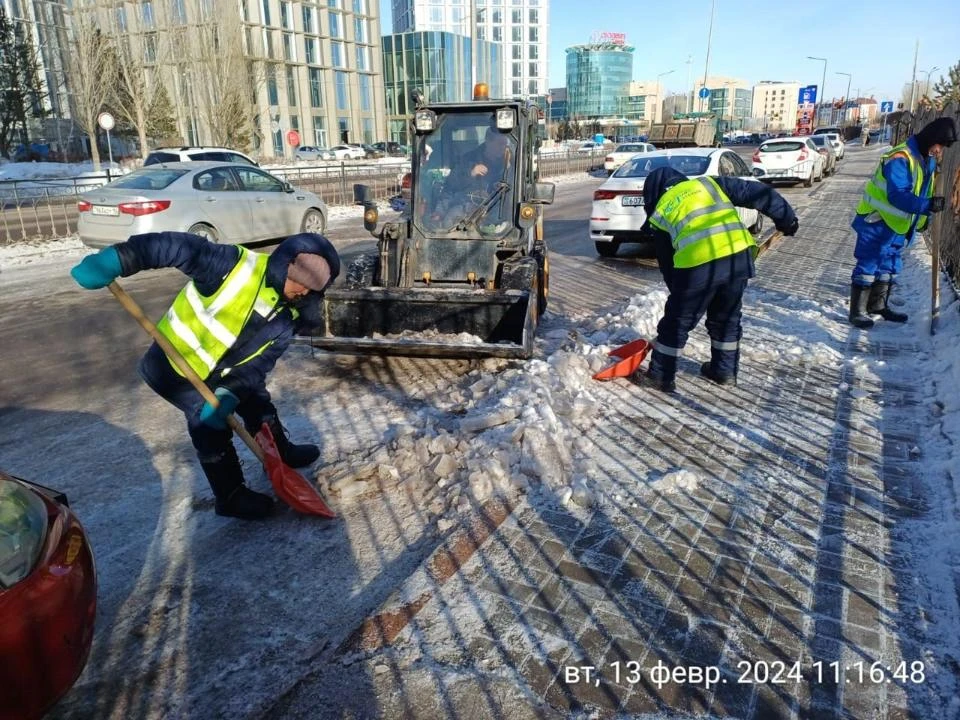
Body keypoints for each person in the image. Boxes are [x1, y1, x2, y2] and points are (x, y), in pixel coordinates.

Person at [70, 232, 341, 520]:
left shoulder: (293, 313)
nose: (302, 293)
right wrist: (119, 259)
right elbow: (175, 247)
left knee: (257, 400)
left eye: (310, 290)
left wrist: (232, 392)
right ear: (284, 266)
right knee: (209, 424)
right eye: (299, 284)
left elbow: (261, 363)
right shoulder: (232, 267)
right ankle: (230, 495)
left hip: (227, 373)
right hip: (175, 368)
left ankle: (279, 453)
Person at [635, 166, 799, 392]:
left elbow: (668, 265)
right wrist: (786, 219)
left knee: (676, 322)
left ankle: (660, 376)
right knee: (727, 317)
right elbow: (759, 193)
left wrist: (684, 299)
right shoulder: (708, 184)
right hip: (737, 258)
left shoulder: (661, 210)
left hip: (697, 264)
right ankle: (724, 371)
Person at [849, 117, 957, 328]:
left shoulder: (927, 159)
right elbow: (897, 195)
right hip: (876, 220)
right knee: (869, 263)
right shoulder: (900, 157)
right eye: (941, 145)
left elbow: (923, 190)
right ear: (932, 138)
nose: (941, 150)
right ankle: (857, 311)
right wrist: (927, 205)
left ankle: (878, 305)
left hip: (898, 224)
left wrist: (924, 219)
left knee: (890, 264)